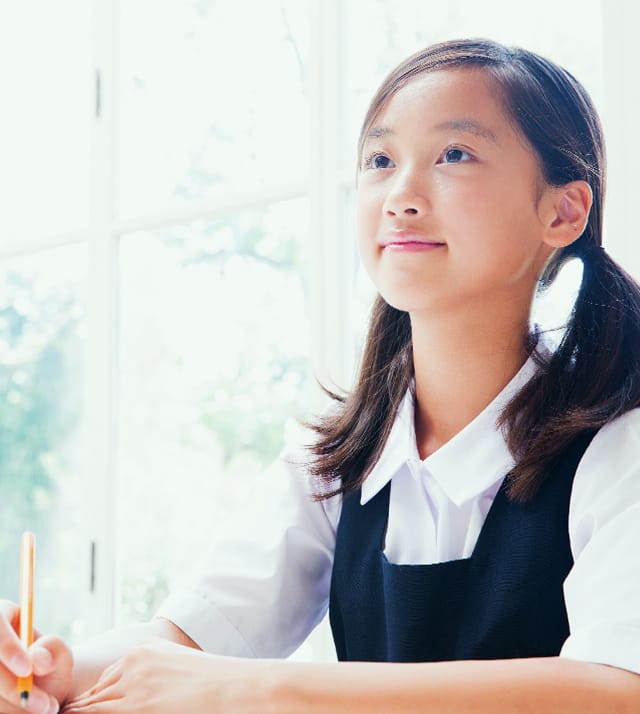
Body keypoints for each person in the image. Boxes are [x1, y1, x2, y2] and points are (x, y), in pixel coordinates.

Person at [1, 36, 640, 713]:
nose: (400, 194)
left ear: (564, 210)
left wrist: (255, 688)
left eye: (454, 154)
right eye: (380, 160)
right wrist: (49, 671)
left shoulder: (619, 446)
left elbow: (616, 686)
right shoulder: (335, 464)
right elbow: (183, 640)